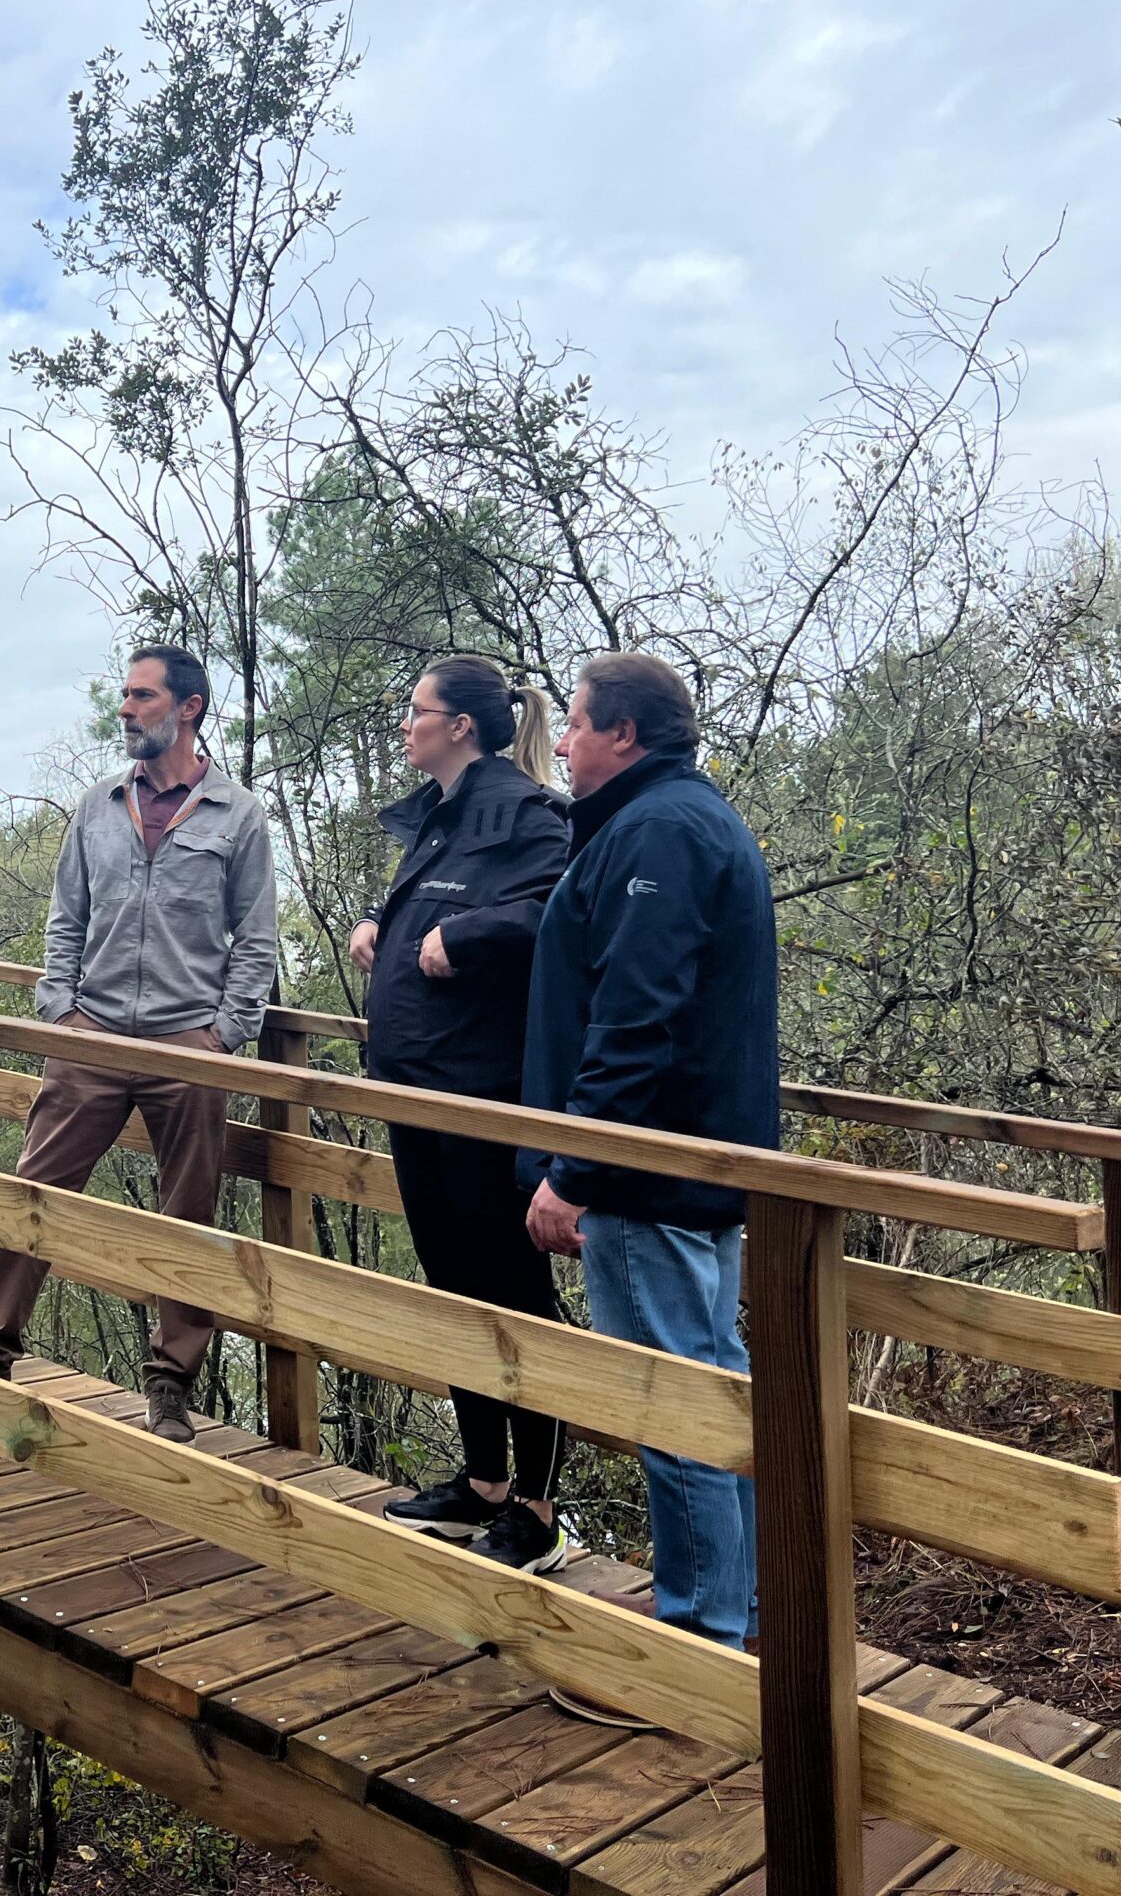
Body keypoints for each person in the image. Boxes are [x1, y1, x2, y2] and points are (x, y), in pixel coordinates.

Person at [521, 652, 778, 1679]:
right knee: (709, 1385)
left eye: (577, 725)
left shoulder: (659, 832)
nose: (563, 745)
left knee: (669, 1401)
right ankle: (736, 1611)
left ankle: (699, 1641)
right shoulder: (682, 819)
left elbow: (636, 1018)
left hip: (648, 1174)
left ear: (623, 733)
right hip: (691, 1165)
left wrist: (574, 1168)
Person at [0, 644, 279, 1443]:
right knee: (37, 1192)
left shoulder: (237, 815)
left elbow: (256, 941)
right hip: (92, 1036)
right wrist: (61, 1012)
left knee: (188, 1215)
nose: (126, 709)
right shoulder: (98, 805)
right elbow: (66, 920)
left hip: (185, 1046)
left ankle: (170, 1384)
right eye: (126, 695)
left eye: (142, 696)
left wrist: (222, 1036)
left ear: (189, 707)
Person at [348, 656, 575, 1573]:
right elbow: (444, 895)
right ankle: (482, 1482)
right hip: (416, 1087)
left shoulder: (530, 812)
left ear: (461, 727)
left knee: (514, 1290)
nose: (404, 725)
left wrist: (466, 936)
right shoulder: (442, 814)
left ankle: (540, 1508)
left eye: (416, 710)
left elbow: (556, 912)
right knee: (453, 1284)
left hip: (484, 1097)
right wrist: (382, 919)